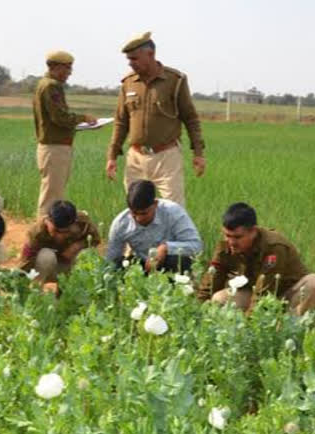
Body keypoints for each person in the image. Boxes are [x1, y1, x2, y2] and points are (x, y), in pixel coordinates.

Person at [105, 31, 205, 207]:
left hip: (166, 157)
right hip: (135, 157)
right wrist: (112, 156)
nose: (131, 63)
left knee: (173, 209)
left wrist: (198, 153)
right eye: (129, 59)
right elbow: (121, 122)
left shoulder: (175, 80)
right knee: (136, 209)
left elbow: (190, 118)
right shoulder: (128, 83)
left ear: (150, 54)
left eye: (135, 58)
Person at [198, 202, 315, 315]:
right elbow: (212, 281)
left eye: (237, 237)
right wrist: (197, 312)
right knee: (218, 299)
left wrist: (250, 325)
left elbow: (265, 291)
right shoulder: (225, 246)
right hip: (253, 293)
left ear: (253, 231)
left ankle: (288, 327)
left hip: (287, 294)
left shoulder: (273, 247)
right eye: (227, 235)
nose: (231, 242)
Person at [33, 51, 97, 218]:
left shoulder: (46, 84)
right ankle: (42, 233)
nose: (70, 72)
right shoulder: (51, 86)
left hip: (55, 146)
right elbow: (59, 117)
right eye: (67, 68)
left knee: (55, 192)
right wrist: (83, 118)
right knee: (51, 196)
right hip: (54, 147)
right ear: (55, 67)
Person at [106, 180, 202, 273]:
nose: (139, 218)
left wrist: (165, 248)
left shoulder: (173, 212)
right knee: (117, 265)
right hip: (140, 266)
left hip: (167, 264)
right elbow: (112, 258)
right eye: (134, 213)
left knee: (179, 261)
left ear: (155, 204)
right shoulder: (121, 223)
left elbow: (196, 245)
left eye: (144, 213)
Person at [19, 200, 100, 284]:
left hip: (68, 266)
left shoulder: (83, 224)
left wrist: (76, 246)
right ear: (48, 221)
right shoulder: (37, 232)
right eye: (56, 231)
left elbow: (95, 239)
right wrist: (21, 282)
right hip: (45, 270)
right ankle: (37, 290)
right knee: (46, 256)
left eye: (66, 232)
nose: (60, 236)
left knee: (86, 254)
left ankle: (67, 292)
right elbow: (25, 262)